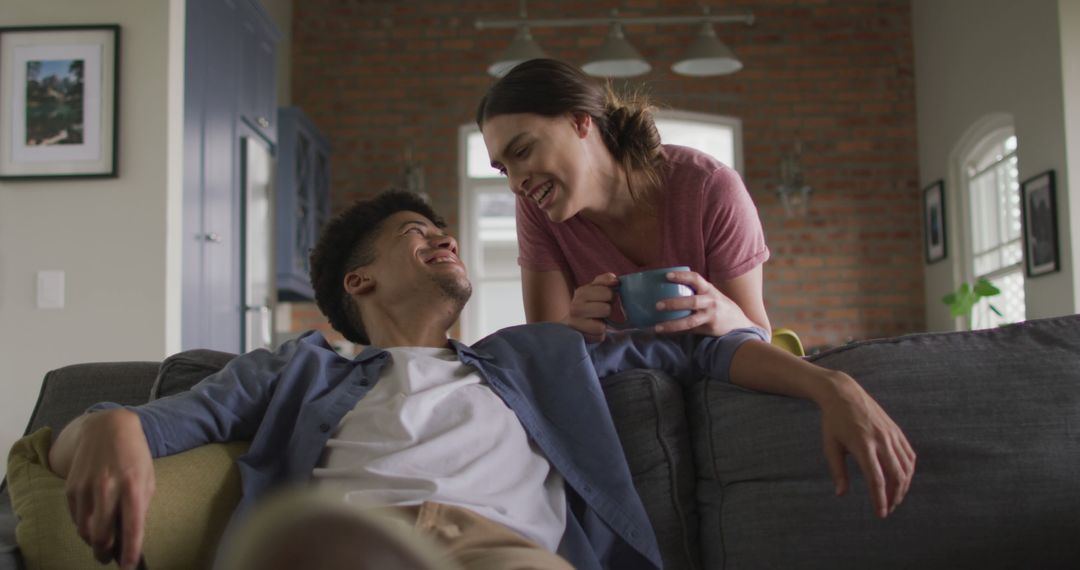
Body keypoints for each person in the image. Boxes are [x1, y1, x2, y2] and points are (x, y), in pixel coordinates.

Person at [48, 190, 915, 570]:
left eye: (445, 230)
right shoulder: (303, 364)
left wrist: (829, 387)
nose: (445, 239)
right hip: (347, 548)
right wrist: (113, 423)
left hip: (503, 554)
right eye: (418, 234)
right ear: (361, 283)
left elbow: (702, 350)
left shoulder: (538, 354)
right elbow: (119, 430)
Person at [477, 58, 771, 342]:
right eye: (504, 169)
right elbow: (547, 349)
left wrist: (726, 316)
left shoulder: (708, 187)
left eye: (522, 152)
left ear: (579, 122)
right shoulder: (537, 208)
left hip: (715, 375)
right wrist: (571, 326)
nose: (516, 184)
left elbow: (758, 336)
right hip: (622, 383)